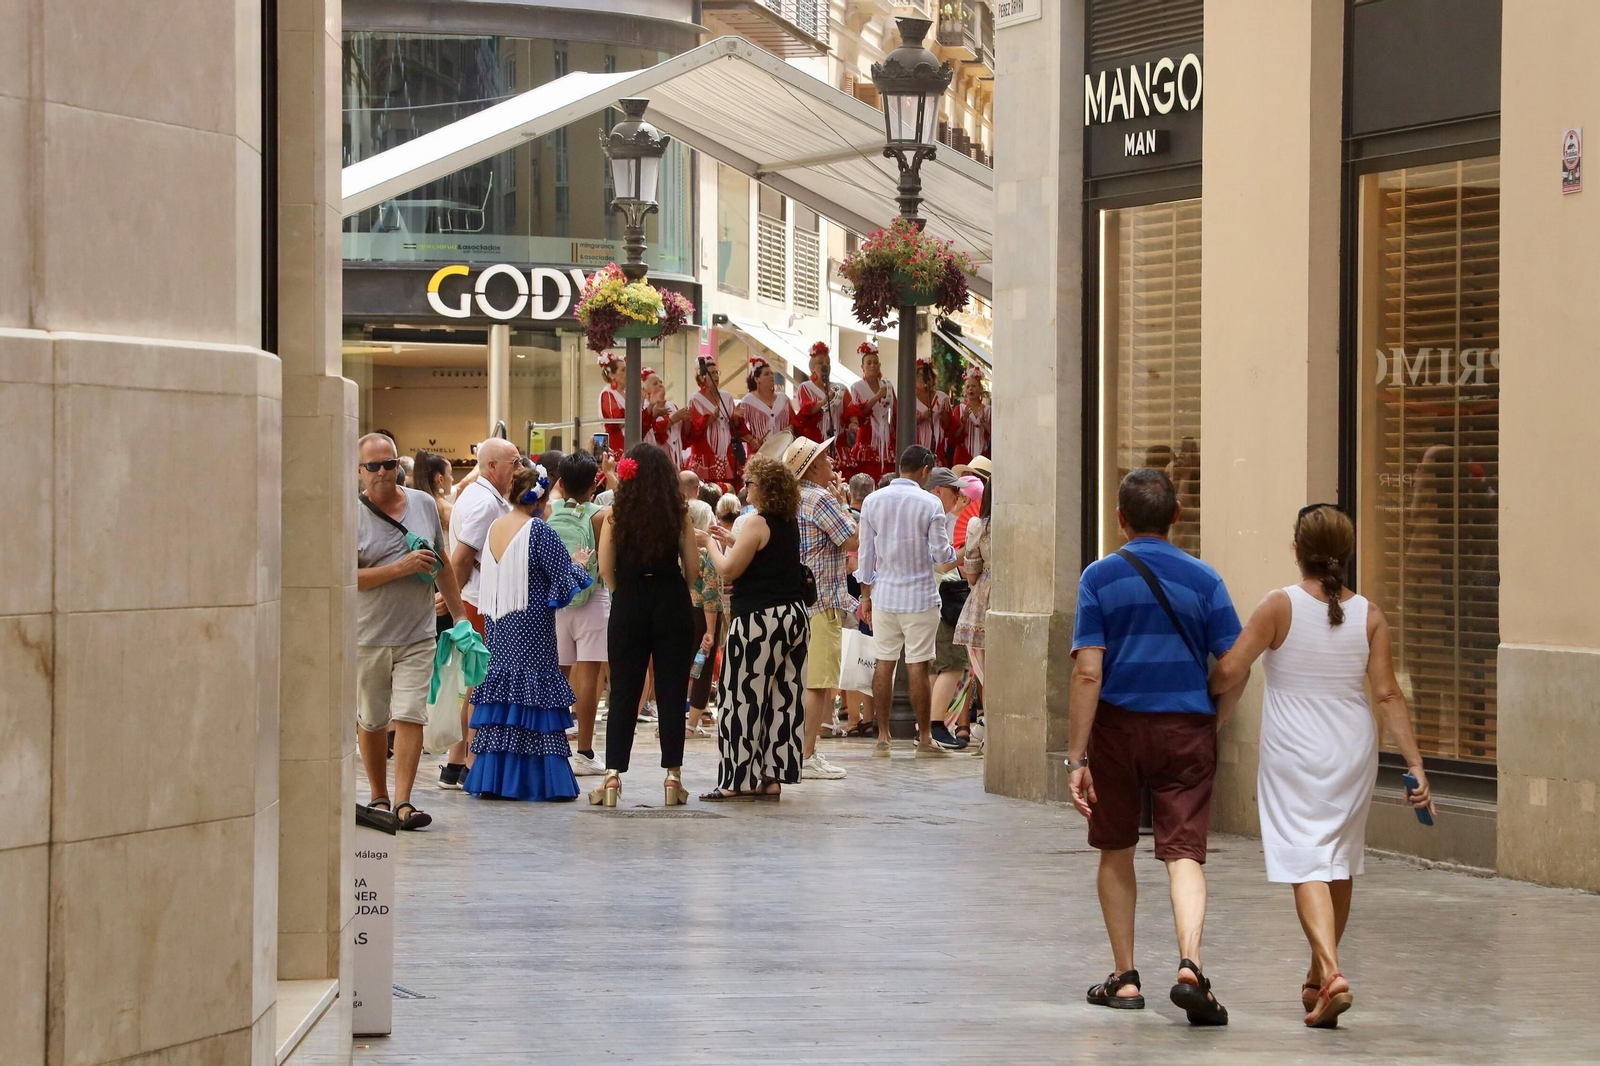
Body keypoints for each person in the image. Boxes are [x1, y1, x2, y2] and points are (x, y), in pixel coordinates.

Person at [1206, 503, 1436, 1029]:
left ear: (1297, 552)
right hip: (1354, 749)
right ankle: (1315, 981)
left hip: (1294, 749)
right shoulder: (1370, 615)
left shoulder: (1278, 606)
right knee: (1338, 858)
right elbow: (1387, 694)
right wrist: (1417, 764)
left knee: (1306, 859)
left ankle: (1332, 973)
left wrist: (1197, 689)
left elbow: (1230, 671)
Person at [1065, 469, 1242, 1027]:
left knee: (1116, 848)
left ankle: (1125, 977)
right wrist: (1213, 720)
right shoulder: (1205, 580)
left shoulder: (1099, 577)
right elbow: (1233, 665)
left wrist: (1077, 758)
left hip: (1118, 730)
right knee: (1183, 852)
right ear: (1177, 514)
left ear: (1120, 518)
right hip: (1186, 729)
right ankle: (1190, 964)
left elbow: (1088, 673)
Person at [355, 433, 467, 830]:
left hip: (418, 634)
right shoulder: (350, 515)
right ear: (360, 473)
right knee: (371, 720)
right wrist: (400, 568)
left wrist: (460, 617)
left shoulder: (421, 504)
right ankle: (377, 795)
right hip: (368, 636)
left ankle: (403, 800)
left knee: (409, 714)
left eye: (391, 464)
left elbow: (443, 564)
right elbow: (347, 580)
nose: (384, 472)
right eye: (374, 466)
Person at [466, 464, 592, 801]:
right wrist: (579, 564)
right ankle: (539, 781)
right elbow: (562, 580)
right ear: (539, 498)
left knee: (505, 698)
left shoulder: (495, 527)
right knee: (534, 699)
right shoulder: (539, 530)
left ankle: (496, 780)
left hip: (499, 623)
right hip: (532, 625)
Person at [699, 455, 812, 800]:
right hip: (794, 617)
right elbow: (766, 558)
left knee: (742, 697)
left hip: (759, 621)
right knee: (783, 698)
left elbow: (729, 571)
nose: (746, 487)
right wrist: (731, 540)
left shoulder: (754, 522)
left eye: (750, 482)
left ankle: (736, 781)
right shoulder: (786, 520)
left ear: (763, 487)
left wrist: (708, 544)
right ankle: (772, 776)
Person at [593, 443, 699, 807]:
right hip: (671, 596)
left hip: (629, 599)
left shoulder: (615, 515)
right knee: (671, 691)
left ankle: (612, 777)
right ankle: (672, 777)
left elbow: (606, 568)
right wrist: (675, 591)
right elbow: (694, 569)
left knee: (623, 689)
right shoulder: (679, 513)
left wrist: (626, 593)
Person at [854, 445, 956, 758]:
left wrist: (866, 595)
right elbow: (942, 556)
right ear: (925, 470)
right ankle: (924, 737)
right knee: (919, 664)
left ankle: (882, 737)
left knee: (884, 663)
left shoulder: (872, 501)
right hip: (920, 596)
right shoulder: (930, 503)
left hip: (884, 594)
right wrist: (952, 554)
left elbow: (866, 554)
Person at [441, 438, 521, 788]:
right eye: (513, 463)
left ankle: (458, 761)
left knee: (469, 684)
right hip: (478, 603)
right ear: (492, 466)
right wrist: (455, 604)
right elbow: (460, 556)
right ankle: (468, 761)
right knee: (477, 684)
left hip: (475, 600)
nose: (519, 469)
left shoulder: (475, 496)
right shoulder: (487, 503)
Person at [784, 436, 857, 781]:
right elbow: (851, 538)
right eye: (826, 458)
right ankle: (806, 753)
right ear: (813, 466)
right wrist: (843, 503)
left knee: (801, 681)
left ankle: (799, 749)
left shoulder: (791, 499)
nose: (832, 463)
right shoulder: (821, 498)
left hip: (795, 600)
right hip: (823, 600)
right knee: (819, 682)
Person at [548, 452, 610, 777]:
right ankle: (584, 752)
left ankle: (555, 744)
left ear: (560, 482)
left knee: (558, 671)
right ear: (595, 483)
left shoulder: (549, 514)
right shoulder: (602, 516)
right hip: (592, 596)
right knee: (590, 674)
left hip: (557, 600)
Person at [925, 467, 972, 749]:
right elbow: (943, 563)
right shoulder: (935, 517)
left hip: (931, 597)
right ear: (940, 491)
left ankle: (932, 724)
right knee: (953, 663)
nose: (959, 496)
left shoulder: (930, 516)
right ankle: (936, 725)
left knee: (937, 665)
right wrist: (969, 548)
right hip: (943, 597)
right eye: (955, 491)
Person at [953, 475, 993, 750]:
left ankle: (990, 729)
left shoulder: (978, 525)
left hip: (984, 596)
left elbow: (971, 569)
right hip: (1017, 592)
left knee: (986, 671)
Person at [685, 499, 724, 736]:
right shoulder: (705, 552)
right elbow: (710, 593)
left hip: (680, 611)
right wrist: (710, 631)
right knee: (702, 665)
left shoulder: (678, 548)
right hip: (702, 613)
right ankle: (692, 723)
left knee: (680, 665)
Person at [414, 450, 457, 635]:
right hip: (446, 578)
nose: (452, 480)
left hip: (422, 581)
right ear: (440, 479)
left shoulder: (415, 508)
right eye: (450, 474)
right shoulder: (449, 511)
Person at [843, 341, 896, 483]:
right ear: (863, 367)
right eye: (869, 363)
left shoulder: (887, 385)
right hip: (867, 435)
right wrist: (877, 397)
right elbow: (859, 413)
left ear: (879, 365)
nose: (873, 366)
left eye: (875, 363)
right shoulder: (856, 387)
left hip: (885, 437)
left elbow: (895, 410)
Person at [684, 355, 740, 490]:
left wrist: (737, 417)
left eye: (717, 372)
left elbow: (735, 427)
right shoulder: (695, 399)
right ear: (702, 377)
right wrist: (710, 419)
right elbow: (692, 431)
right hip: (705, 455)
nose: (716, 376)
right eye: (712, 373)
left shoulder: (726, 397)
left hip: (725, 454)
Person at [735, 355, 792, 456]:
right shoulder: (748, 401)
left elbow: (794, 420)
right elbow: (739, 427)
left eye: (771, 373)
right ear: (757, 379)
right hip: (761, 455)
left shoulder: (784, 399)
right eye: (766, 374)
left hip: (784, 452)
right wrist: (752, 440)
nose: (771, 376)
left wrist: (791, 428)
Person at [795, 341, 845, 443]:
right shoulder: (806, 387)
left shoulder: (840, 388)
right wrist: (823, 402)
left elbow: (850, 410)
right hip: (815, 442)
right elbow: (806, 411)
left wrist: (853, 422)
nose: (825, 365)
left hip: (838, 441)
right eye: (821, 363)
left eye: (828, 362)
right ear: (812, 368)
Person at [645, 367, 690, 470]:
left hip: (677, 457)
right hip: (660, 457)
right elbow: (656, 433)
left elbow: (684, 434)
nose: (661, 385)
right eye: (655, 384)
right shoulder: (646, 409)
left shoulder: (673, 406)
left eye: (661, 382)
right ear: (646, 391)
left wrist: (687, 419)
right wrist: (674, 419)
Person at [914, 355, 955, 465]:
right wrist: (921, 417)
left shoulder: (942, 398)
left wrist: (944, 416)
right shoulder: (909, 399)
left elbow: (950, 428)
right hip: (916, 450)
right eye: (921, 376)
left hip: (938, 451)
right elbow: (903, 425)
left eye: (928, 376)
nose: (925, 379)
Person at [950, 365, 991, 469]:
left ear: (981, 389)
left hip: (984, 457)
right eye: (968, 386)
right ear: (965, 391)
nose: (970, 389)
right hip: (963, 457)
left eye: (973, 386)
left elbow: (995, 436)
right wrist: (963, 421)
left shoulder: (989, 411)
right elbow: (954, 436)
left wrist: (984, 422)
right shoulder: (959, 409)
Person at [598, 352, 628, 452]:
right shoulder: (607, 393)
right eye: (623, 370)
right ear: (611, 375)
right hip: (617, 443)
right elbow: (615, 422)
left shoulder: (627, 392)